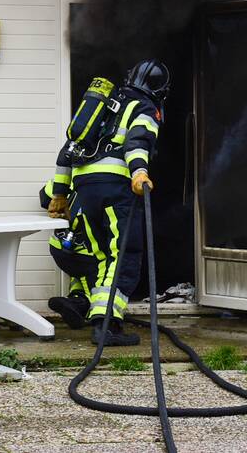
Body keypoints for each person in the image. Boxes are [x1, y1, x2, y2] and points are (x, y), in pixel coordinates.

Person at [44, 59, 169, 346]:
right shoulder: (144, 108)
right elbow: (138, 142)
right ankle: (107, 325)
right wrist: (139, 172)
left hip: (83, 187)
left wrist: (60, 194)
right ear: (160, 90)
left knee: (99, 253)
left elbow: (67, 152)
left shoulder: (105, 105)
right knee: (122, 254)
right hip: (115, 188)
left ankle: (82, 302)